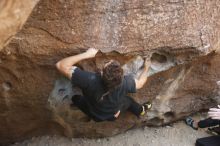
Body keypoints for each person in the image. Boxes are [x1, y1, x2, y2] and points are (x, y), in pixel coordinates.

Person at [56, 48, 152, 122]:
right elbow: (141, 83)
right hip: (112, 116)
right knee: (129, 101)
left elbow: (60, 65)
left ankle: (78, 103)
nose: (109, 61)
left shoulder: (89, 80)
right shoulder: (125, 83)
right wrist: (146, 68)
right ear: (122, 76)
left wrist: (87, 54)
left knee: (76, 98)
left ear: (102, 73)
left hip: (94, 114)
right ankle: (141, 110)